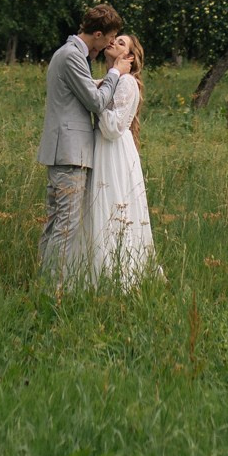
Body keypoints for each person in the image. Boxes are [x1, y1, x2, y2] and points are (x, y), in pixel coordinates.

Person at [37, 3, 124, 283]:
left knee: (55, 223)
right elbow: (96, 102)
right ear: (98, 34)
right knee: (66, 227)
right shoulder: (72, 56)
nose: (110, 43)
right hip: (70, 153)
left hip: (64, 151)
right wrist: (115, 73)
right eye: (110, 38)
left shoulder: (71, 54)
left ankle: (44, 284)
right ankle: (54, 290)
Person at [83, 32, 159, 288]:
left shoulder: (126, 82)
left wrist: (97, 105)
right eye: (115, 39)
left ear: (129, 57)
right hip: (104, 147)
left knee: (113, 204)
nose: (114, 42)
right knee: (101, 205)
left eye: (121, 43)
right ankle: (96, 270)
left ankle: (118, 274)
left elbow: (113, 127)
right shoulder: (112, 79)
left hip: (113, 149)